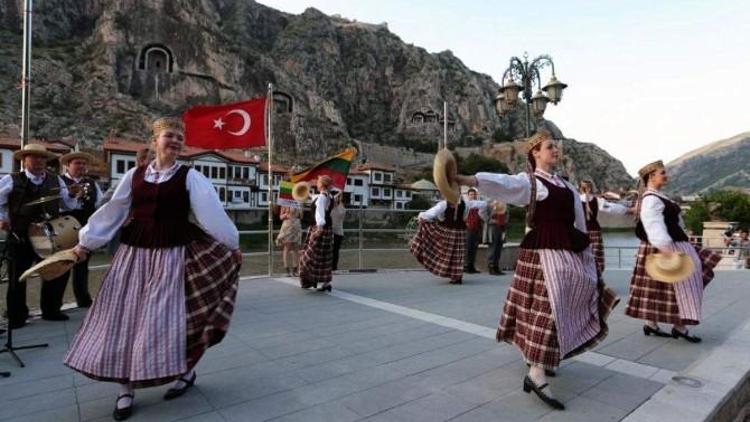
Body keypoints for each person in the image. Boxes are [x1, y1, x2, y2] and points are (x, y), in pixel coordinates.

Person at [63, 117, 242, 421]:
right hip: (133, 256)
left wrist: (232, 244)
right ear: (154, 140)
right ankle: (125, 387)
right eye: (169, 136)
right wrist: (85, 244)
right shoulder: (134, 175)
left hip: (172, 255)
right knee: (123, 318)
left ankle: (185, 371)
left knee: (167, 320)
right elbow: (113, 212)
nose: (175, 141)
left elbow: (211, 214)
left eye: (179, 138)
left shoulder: (190, 178)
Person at [453, 130, 618, 410]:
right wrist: (469, 180)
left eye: (556, 146)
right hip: (541, 251)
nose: (556, 150)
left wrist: (587, 256)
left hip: (566, 248)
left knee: (561, 302)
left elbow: (578, 223)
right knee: (548, 307)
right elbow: (504, 184)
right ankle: (536, 371)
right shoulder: (531, 183)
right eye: (549, 146)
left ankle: (541, 357)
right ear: (536, 153)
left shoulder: (566, 187)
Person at [625, 160, 721, 343]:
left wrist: (684, 237)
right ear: (651, 176)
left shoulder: (659, 196)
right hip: (665, 246)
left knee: (659, 288)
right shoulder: (651, 199)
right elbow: (652, 223)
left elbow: (674, 221)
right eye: (662, 172)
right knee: (681, 286)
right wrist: (665, 248)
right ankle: (678, 327)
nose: (666, 175)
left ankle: (653, 324)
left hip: (673, 244)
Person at [0, 144, 82, 329]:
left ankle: (51, 310)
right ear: (24, 160)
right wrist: (2, 219)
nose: (39, 161)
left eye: (42, 158)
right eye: (34, 157)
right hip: (19, 234)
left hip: (49, 235)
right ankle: (17, 315)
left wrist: (73, 195)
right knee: (17, 276)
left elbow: (67, 206)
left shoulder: (56, 180)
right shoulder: (11, 180)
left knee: (54, 272)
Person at [59, 151, 105, 308]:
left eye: (83, 163)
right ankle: (53, 305)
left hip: (85, 227)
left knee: (83, 264)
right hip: (63, 229)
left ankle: (83, 299)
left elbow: (100, 203)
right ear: (68, 164)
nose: (81, 166)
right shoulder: (59, 181)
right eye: (77, 163)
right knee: (62, 265)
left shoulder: (91, 183)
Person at [410, 196, 487, 285]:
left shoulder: (443, 204)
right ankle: (456, 276)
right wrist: (490, 203)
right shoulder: (465, 203)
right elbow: (481, 204)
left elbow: (431, 214)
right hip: (460, 232)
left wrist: (421, 216)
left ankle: (451, 274)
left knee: (447, 254)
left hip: (448, 232)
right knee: (458, 255)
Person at [104, 147, 151, 257]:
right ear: (142, 161)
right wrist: (123, 218)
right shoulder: (129, 179)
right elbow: (104, 202)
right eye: (152, 159)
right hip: (126, 235)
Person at [579, 179, 632, 276]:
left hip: (580, 232)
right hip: (595, 231)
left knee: (580, 258)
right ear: (591, 188)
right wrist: (629, 210)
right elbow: (612, 208)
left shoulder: (575, 199)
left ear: (580, 188)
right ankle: (598, 280)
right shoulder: (597, 201)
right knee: (596, 259)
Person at [298, 175, 335, 292]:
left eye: (318, 182)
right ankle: (325, 282)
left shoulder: (322, 198)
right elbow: (314, 197)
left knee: (307, 256)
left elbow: (319, 214)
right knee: (324, 257)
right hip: (327, 229)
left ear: (321, 185)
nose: (317, 183)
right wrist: (305, 192)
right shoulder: (328, 196)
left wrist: (319, 229)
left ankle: (309, 280)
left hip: (319, 228)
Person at [276, 180, 303, 277]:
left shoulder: (299, 201)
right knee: (287, 247)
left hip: (296, 226)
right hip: (287, 226)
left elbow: (301, 216)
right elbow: (280, 217)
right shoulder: (285, 203)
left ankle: (296, 269)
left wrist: (300, 208)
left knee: (296, 247)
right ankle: (287, 269)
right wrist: (287, 214)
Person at [463, 188, 487, 274]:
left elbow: (482, 215)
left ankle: (471, 266)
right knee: (468, 248)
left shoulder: (478, 205)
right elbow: (462, 216)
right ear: (468, 196)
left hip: (477, 228)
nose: (473, 196)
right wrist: (465, 224)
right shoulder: (466, 205)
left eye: (474, 195)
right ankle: (466, 266)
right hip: (468, 228)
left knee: (474, 248)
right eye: (471, 195)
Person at [487, 200, 507, 275]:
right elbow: (482, 213)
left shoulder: (504, 201)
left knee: (499, 247)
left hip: (502, 227)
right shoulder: (490, 202)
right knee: (493, 247)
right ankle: (491, 266)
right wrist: (491, 220)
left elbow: (507, 214)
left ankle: (496, 266)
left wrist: (505, 221)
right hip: (493, 227)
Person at [330, 191, 346, 271]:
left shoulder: (341, 208)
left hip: (338, 232)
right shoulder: (330, 207)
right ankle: (328, 266)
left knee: (335, 251)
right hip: (330, 231)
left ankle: (334, 267)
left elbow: (341, 214)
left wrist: (339, 195)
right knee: (329, 251)